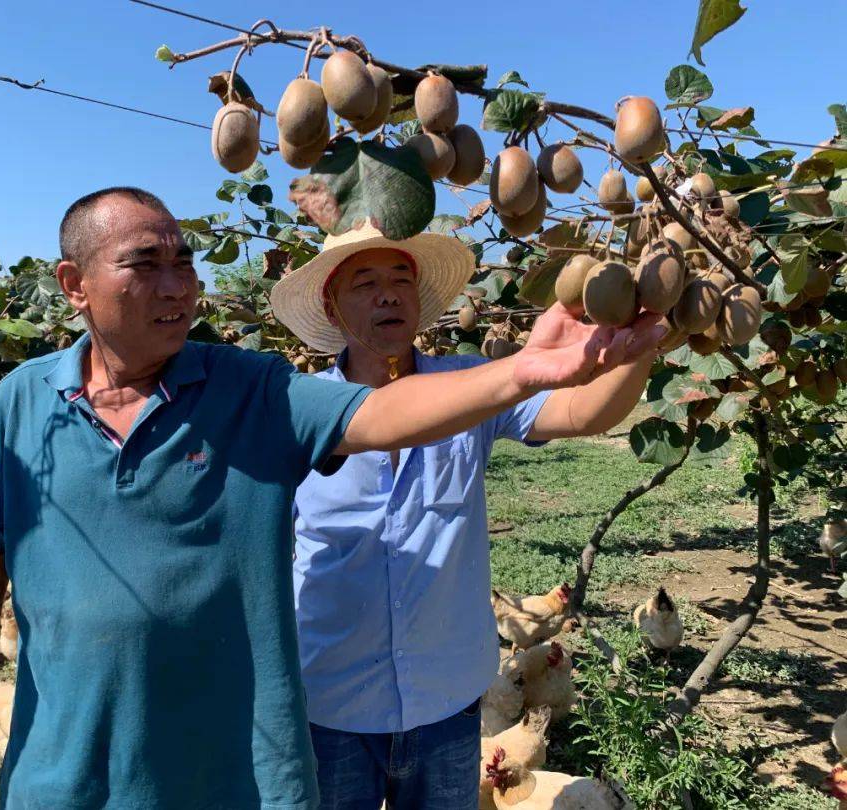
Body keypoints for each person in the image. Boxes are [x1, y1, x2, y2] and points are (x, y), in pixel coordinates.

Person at [0, 188, 660, 810]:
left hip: (395, 713)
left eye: (184, 263)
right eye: (146, 264)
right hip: (294, 712)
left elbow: (540, 413)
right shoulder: (27, 403)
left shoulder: (268, 393)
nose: (177, 285)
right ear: (74, 285)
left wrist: (579, 358)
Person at [269, 224, 663, 810]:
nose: (388, 295)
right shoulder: (298, 412)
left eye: (401, 280)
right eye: (367, 282)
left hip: (447, 704)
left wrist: (643, 338)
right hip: (330, 707)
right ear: (332, 304)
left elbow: (584, 411)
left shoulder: (473, 383)